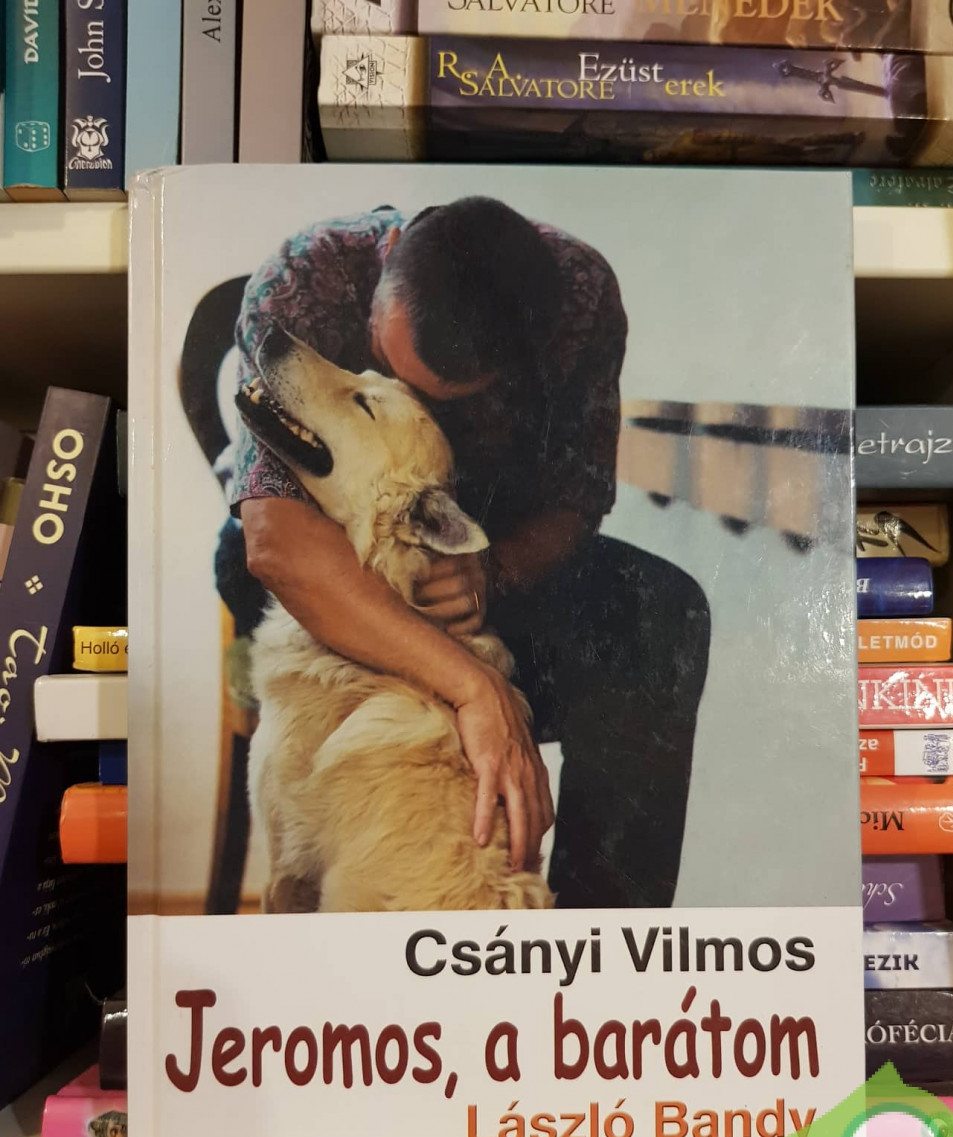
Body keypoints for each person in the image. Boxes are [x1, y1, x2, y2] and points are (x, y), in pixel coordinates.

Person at [230, 196, 710, 909]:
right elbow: (274, 541)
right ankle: (330, 857)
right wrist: (475, 689)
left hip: (489, 566)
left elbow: (577, 499)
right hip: (325, 559)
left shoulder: (579, 295)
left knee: (663, 614)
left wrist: (494, 571)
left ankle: (598, 940)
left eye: (446, 399)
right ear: (390, 253)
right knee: (250, 565)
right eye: (383, 361)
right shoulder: (309, 275)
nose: (409, 396)